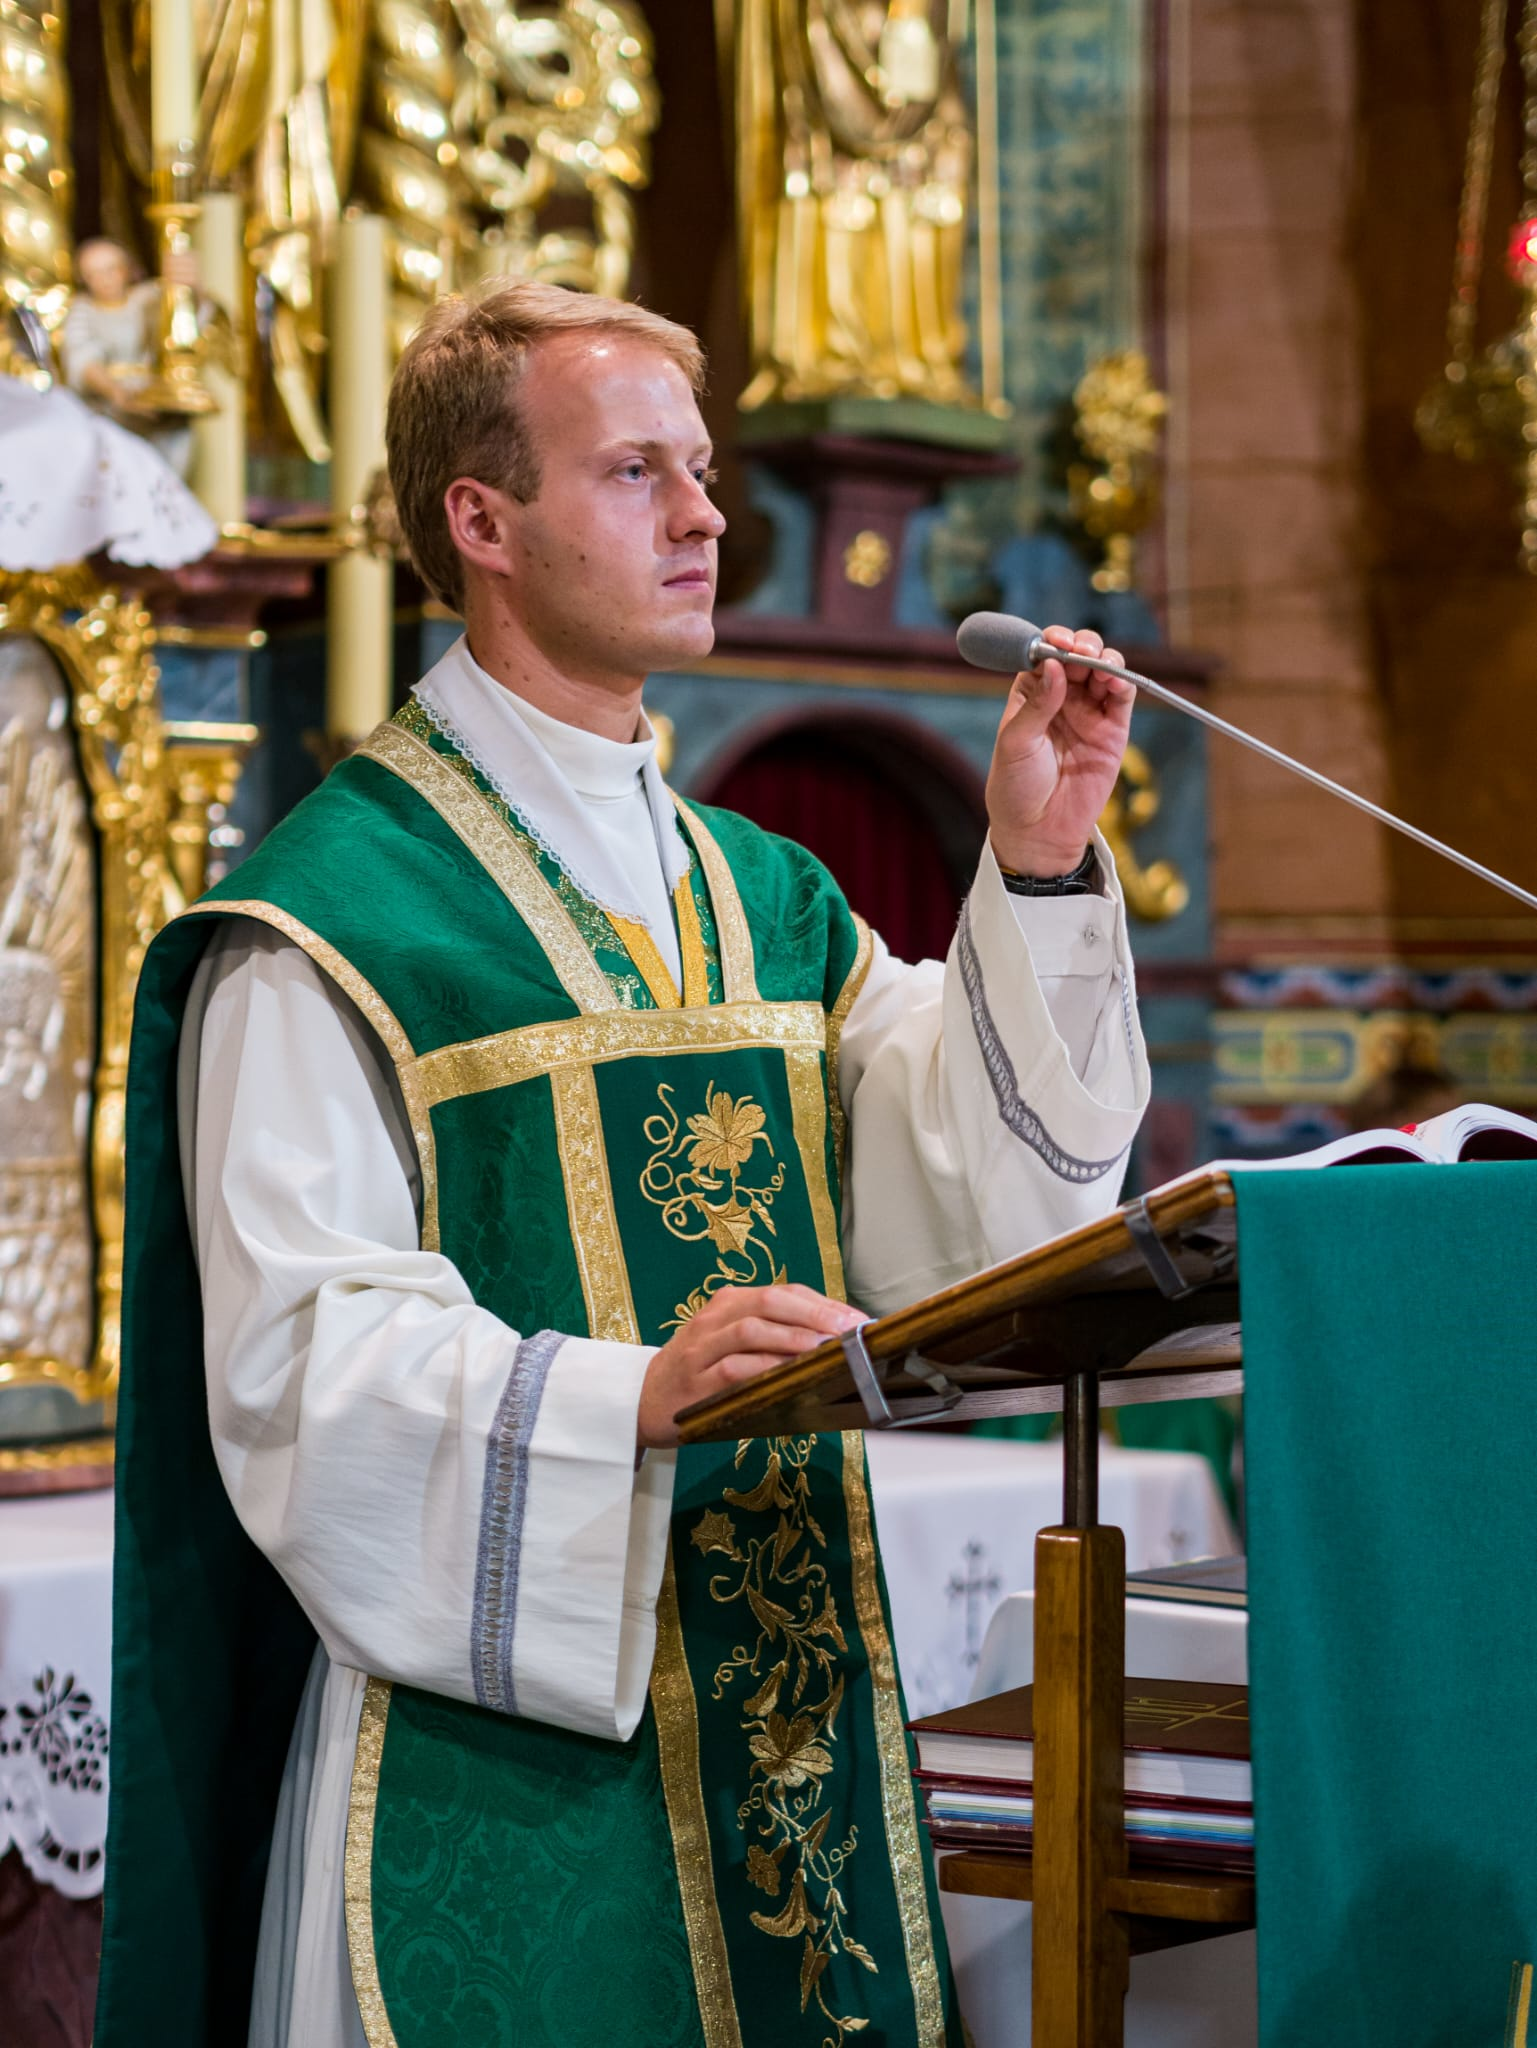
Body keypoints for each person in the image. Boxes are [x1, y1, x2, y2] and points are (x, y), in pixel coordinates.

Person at [95, 281, 1149, 2048]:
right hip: (491, 1767)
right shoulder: (328, 928)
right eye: (637, 471)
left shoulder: (764, 898)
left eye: (709, 470)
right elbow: (296, 1369)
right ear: (482, 523)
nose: (706, 517)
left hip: (787, 1725)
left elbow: (974, 1200)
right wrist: (628, 1400)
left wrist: (1035, 864)